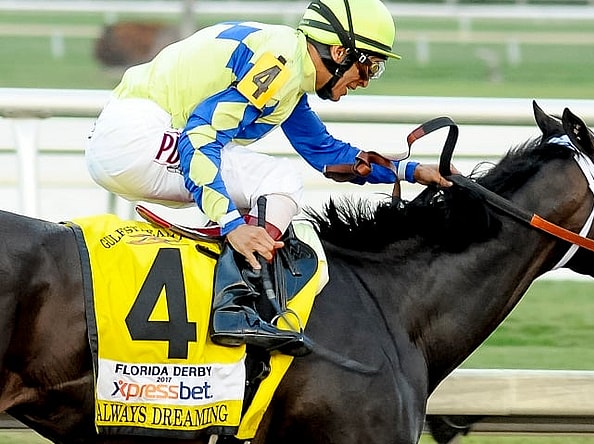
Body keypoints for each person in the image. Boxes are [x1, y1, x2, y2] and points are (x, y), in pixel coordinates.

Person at [85, 0, 452, 356]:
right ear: (340, 52)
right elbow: (200, 138)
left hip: (127, 136)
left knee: (267, 186)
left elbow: (326, 154)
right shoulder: (280, 66)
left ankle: (230, 289)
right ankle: (234, 306)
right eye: (369, 65)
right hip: (138, 138)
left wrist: (411, 171)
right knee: (279, 180)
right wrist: (231, 225)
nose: (365, 81)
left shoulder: (289, 68)